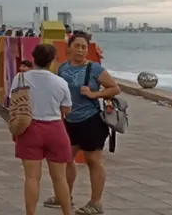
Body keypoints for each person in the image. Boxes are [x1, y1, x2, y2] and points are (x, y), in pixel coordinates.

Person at [46, 31, 121, 214]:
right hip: (69, 121)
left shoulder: (94, 69)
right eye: (77, 46)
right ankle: (65, 196)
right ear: (69, 48)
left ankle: (95, 203)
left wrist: (94, 94)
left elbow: (114, 88)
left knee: (93, 161)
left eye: (84, 47)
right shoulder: (62, 68)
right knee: (65, 159)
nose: (80, 50)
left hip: (91, 121)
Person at [14, 44, 73, 215]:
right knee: (59, 177)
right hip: (55, 128)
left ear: (33, 58)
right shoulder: (60, 82)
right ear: (52, 60)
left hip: (29, 128)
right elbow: (67, 109)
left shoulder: (20, 78)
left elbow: (13, 99)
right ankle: (67, 212)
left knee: (32, 177)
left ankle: (30, 213)